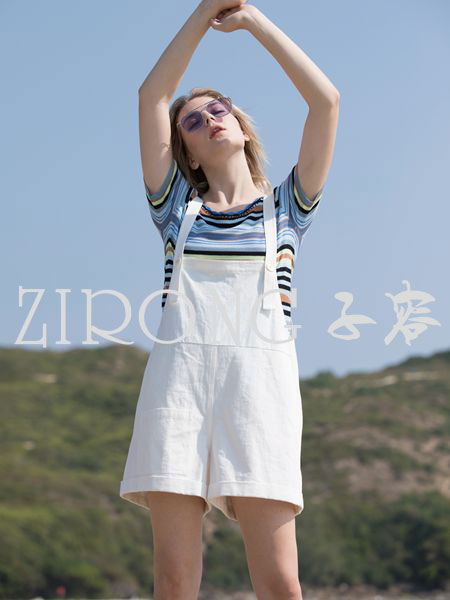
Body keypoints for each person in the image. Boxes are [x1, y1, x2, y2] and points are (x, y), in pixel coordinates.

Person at [120, 1, 339, 598]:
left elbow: (325, 102)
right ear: (187, 153)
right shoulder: (175, 211)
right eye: (193, 122)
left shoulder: (286, 210)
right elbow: (151, 96)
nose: (210, 120)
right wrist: (203, 11)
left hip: (260, 391)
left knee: (281, 582)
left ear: (242, 126)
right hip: (178, 389)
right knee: (174, 580)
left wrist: (252, 21)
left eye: (219, 110)